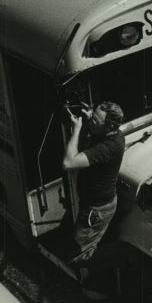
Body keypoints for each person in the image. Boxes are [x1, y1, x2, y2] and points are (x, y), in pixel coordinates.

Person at [63, 101, 126, 269]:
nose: (90, 122)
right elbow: (97, 128)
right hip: (97, 203)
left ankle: (122, 253)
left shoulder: (108, 147)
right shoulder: (114, 133)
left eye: (95, 120)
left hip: (96, 209)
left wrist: (76, 129)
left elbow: (68, 163)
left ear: (109, 126)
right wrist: (91, 115)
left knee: (76, 257)